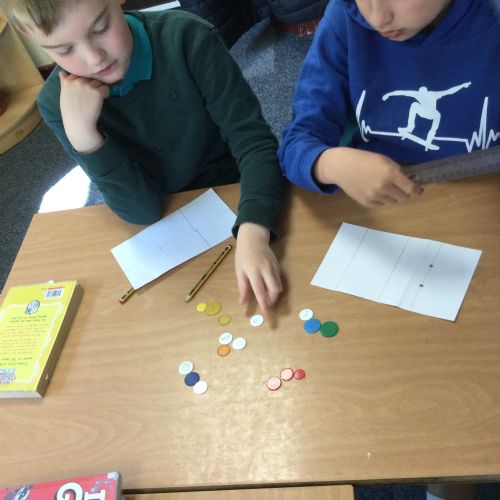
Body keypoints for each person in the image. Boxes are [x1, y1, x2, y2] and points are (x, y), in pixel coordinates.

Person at [1, 0, 284, 312]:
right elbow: (142, 211)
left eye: (101, 28)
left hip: (237, 191)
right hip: (163, 222)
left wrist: (254, 232)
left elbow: (254, 144)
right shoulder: (58, 104)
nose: (95, 58)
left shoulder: (187, 37)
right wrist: (85, 137)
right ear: (30, 37)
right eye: (64, 50)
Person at [279, 0, 500, 208]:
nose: (378, 19)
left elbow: (448, 92)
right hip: (385, 203)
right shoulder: (343, 19)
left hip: (481, 196)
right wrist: (330, 164)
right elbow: (296, 143)